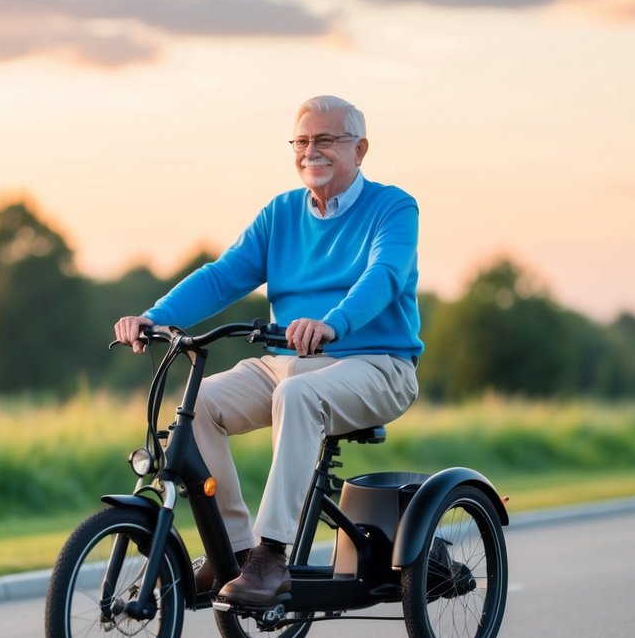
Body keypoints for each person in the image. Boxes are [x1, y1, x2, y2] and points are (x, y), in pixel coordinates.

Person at [114, 95, 422, 607]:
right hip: (288, 360)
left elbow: (383, 276)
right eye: (302, 141)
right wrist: (156, 318)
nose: (311, 152)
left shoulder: (393, 207)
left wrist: (332, 323)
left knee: (298, 395)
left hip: (377, 364)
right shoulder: (280, 214)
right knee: (201, 404)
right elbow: (223, 275)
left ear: (359, 149)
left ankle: (270, 556)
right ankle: (231, 551)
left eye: (326, 140)